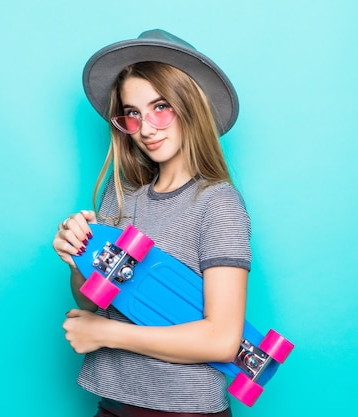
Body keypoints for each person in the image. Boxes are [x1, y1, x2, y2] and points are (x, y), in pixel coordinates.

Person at [52, 29, 251, 417]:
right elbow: (92, 299)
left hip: (182, 409)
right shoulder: (122, 192)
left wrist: (106, 333)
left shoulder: (218, 204)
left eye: (160, 107)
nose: (145, 128)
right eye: (133, 113)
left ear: (190, 104)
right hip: (113, 401)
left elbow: (223, 340)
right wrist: (76, 257)